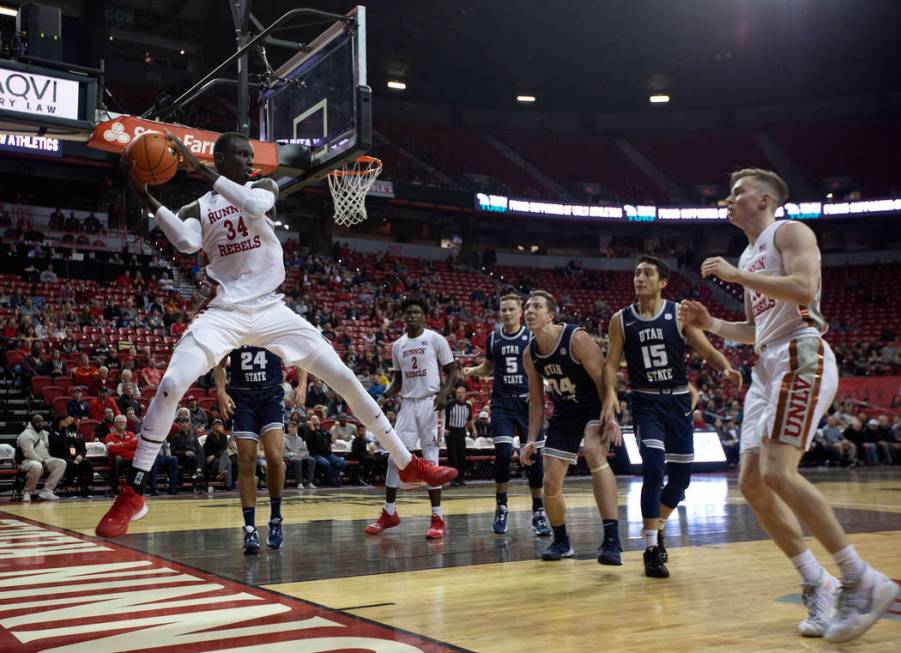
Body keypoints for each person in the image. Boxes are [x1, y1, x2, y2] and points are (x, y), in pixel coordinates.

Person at [96, 131, 455, 538]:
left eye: (251, 154)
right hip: (227, 313)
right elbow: (185, 241)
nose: (251, 161)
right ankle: (135, 491)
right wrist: (142, 192)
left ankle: (407, 463)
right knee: (172, 383)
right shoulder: (199, 205)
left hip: (271, 309)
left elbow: (251, 204)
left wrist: (197, 169)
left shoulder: (262, 186)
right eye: (241, 155)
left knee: (343, 377)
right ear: (221, 157)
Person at [679, 167, 896, 642]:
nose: (728, 200)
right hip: (769, 361)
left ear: (764, 200)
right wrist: (711, 322)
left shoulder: (790, 231)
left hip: (803, 352)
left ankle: (862, 579)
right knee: (753, 483)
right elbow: (758, 330)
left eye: (737, 193)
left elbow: (803, 289)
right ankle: (818, 582)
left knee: (779, 472)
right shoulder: (749, 252)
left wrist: (735, 277)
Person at [602, 255, 742, 578]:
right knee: (652, 468)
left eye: (647, 273)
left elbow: (706, 350)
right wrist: (610, 394)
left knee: (680, 481)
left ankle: (658, 525)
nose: (639, 278)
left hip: (678, 401)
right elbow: (611, 363)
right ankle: (652, 548)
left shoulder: (678, 314)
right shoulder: (621, 319)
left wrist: (726, 368)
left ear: (663, 282)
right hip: (645, 402)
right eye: (636, 273)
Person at [520, 290, 622, 562]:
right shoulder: (530, 354)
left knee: (593, 451)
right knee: (549, 481)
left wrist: (610, 416)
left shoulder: (576, 338)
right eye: (527, 306)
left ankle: (612, 539)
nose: (529, 310)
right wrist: (531, 439)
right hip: (565, 412)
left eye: (536, 307)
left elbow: (604, 379)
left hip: (593, 406)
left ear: (550, 315)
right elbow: (537, 402)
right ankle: (562, 541)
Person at [365, 298, 458, 540]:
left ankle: (437, 517)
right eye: (408, 313)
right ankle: (389, 513)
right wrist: (383, 397)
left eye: (417, 312)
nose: (412, 316)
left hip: (431, 403)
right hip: (407, 404)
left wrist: (445, 393)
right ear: (403, 317)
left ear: (425, 317)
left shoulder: (436, 339)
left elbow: (453, 370)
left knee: (431, 462)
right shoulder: (398, 345)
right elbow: (397, 381)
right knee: (395, 459)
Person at [463, 293, 551, 536]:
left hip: (527, 403)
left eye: (511, 309)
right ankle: (501, 506)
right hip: (501, 403)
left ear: (520, 311)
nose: (507, 313)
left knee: (534, 458)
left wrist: (541, 387)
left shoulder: (532, 336)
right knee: (502, 453)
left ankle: (538, 511)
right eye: (503, 310)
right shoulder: (493, 339)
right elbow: (488, 368)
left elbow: (543, 365)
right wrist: (474, 370)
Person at [216, 345, 303, 552]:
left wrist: (302, 385)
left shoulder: (273, 323)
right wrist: (220, 391)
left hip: (271, 397)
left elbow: (300, 354)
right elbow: (219, 363)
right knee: (246, 461)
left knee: (274, 457)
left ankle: (275, 518)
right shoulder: (235, 326)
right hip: (242, 398)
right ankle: (249, 528)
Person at [17, 414, 66, 502]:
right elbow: (28, 453)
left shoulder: (45, 433)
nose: (40, 424)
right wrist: (42, 461)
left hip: (44, 459)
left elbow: (56, 439)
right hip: (26, 461)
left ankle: (47, 491)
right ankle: (27, 492)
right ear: (32, 423)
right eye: (37, 422)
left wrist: (62, 428)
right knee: (37, 465)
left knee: (61, 462)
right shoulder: (26, 435)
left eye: (41, 422)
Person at [48, 414, 93, 497]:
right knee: (72, 464)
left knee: (87, 463)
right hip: (60, 457)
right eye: (65, 419)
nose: (69, 420)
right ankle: (68, 487)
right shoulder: (52, 433)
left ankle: (85, 487)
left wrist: (80, 455)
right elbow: (59, 445)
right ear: (60, 421)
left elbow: (82, 447)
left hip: (74, 457)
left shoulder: (73, 432)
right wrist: (63, 430)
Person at [304, 414, 346, 486]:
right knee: (326, 464)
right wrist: (311, 427)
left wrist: (336, 429)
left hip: (327, 454)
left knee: (342, 463)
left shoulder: (323, 430)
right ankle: (331, 480)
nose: (315, 420)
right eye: (313, 419)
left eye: (316, 418)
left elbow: (333, 441)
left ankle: (329, 478)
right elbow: (313, 438)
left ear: (319, 420)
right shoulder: (309, 432)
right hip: (316, 454)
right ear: (310, 422)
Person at [443, 385, 473, 487]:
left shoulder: (468, 406)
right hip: (450, 432)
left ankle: (461, 478)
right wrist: (444, 429)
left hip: (461, 432)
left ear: (465, 394)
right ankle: (453, 479)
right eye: (458, 393)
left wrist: (471, 430)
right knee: (452, 456)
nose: (460, 395)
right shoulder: (450, 405)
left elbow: (469, 419)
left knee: (462, 456)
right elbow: (444, 417)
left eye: (462, 393)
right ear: (456, 394)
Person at [104, 414, 139, 492]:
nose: (122, 423)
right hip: (118, 461)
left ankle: (136, 488)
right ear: (115, 424)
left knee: (140, 460)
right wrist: (128, 446)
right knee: (118, 459)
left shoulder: (131, 434)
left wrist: (122, 445)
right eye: (119, 422)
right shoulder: (109, 436)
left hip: (131, 459)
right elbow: (112, 450)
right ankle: (113, 488)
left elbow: (136, 445)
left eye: (123, 422)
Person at [283, 420, 316, 489]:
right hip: (289, 458)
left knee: (312, 460)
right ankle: (299, 483)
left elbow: (306, 451)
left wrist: (302, 455)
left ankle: (310, 482)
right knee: (297, 460)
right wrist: (295, 454)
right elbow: (284, 453)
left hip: (300, 456)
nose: (293, 429)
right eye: (291, 427)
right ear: (288, 429)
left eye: (295, 427)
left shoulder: (299, 439)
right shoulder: (283, 439)